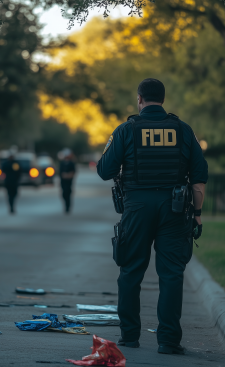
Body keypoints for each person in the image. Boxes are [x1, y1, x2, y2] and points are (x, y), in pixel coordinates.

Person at [97, 78, 208, 355]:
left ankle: (130, 336)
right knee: (171, 274)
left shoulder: (126, 130)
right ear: (163, 98)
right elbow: (199, 179)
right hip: (174, 207)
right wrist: (197, 214)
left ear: (139, 99)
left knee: (130, 271)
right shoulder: (183, 130)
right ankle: (168, 341)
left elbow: (104, 169)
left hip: (136, 208)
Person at [59, 149, 76, 213]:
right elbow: (60, 173)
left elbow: (73, 172)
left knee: (68, 193)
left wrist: (68, 175)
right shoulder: (62, 163)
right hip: (63, 182)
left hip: (69, 182)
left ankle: (68, 207)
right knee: (63, 194)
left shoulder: (71, 163)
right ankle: (66, 205)